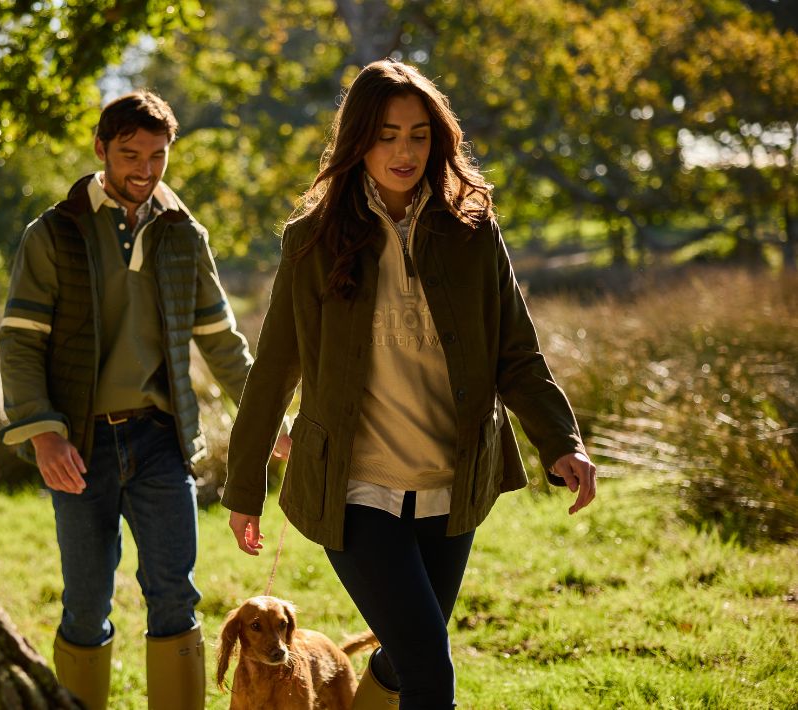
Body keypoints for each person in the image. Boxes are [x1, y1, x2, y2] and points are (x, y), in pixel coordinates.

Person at [221, 59, 597, 710]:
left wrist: (562, 441)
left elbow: (516, 352)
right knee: (429, 664)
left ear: (438, 139)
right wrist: (244, 484)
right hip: (355, 490)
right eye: (387, 134)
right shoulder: (311, 240)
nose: (403, 151)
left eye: (418, 134)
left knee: (405, 650)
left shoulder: (473, 231)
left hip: (451, 485)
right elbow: (275, 365)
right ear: (358, 141)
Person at [0, 90, 284, 710]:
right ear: (100, 149)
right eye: (130, 154)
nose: (145, 170)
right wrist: (43, 433)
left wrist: (269, 423)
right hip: (79, 445)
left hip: (160, 438)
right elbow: (19, 343)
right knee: (85, 605)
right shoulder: (53, 234)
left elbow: (222, 342)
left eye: (157, 156)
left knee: (175, 596)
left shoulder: (184, 236)